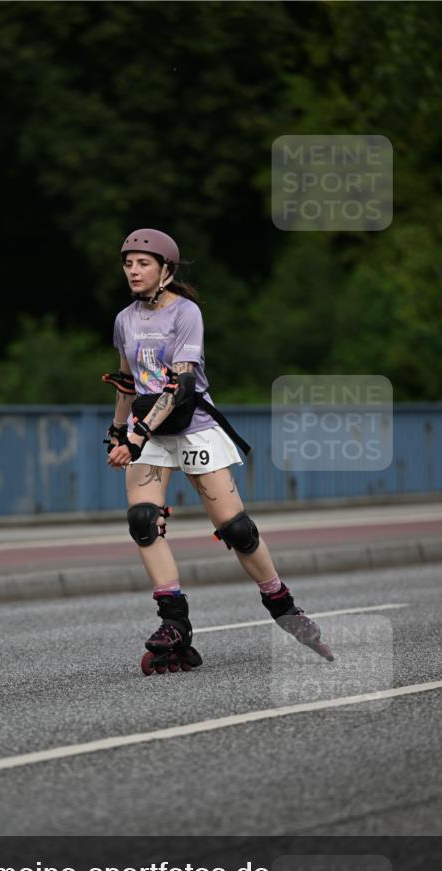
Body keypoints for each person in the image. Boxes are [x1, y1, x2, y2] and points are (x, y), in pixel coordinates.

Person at [103, 228, 333, 674]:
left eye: (143, 263)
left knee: (236, 529)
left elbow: (182, 384)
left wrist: (135, 437)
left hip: (192, 427)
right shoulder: (124, 319)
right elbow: (128, 382)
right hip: (147, 432)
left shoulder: (186, 313)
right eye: (128, 262)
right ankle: (174, 623)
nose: (133, 270)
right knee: (142, 521)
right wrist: (117, 431)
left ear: (165, 271)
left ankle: (280, 601)